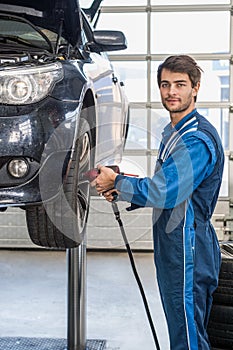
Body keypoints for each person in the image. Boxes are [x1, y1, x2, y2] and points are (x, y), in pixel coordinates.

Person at [93, 55, 224, 350]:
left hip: (188, 249)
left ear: (196, 88)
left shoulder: (196, 140)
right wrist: (122, 184)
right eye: (165, 85)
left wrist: (119, 184)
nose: (171, 92)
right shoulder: (174, 132)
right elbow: (171, 186)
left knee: (187, 337)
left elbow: (166, 192)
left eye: (180, 84)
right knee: (182, 327)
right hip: (173, 246)